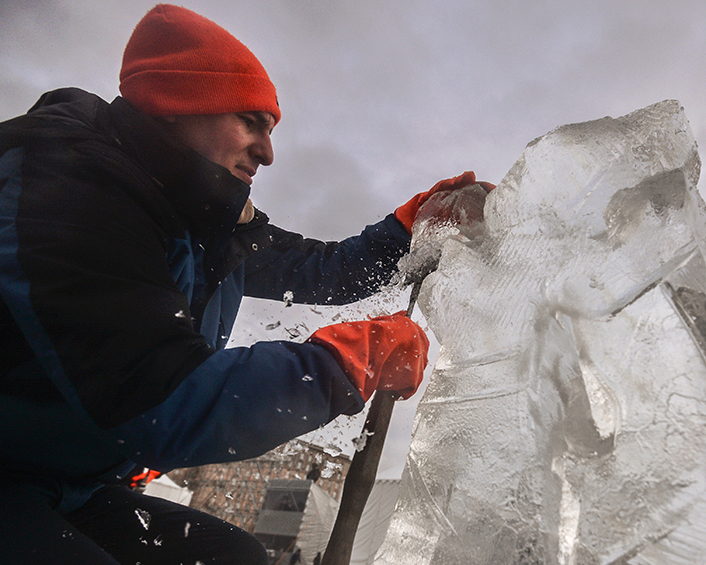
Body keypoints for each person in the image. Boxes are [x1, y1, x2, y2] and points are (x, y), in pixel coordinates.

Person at [0, 4, 491, 565]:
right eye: (250, 122)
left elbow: (322, 270)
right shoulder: (64, 188)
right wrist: (341, 365)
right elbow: (157, 398)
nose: (268, 152)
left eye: (271, 128)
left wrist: (404, 232)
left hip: (69, 479)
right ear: (174, 105)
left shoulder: (205, 219)